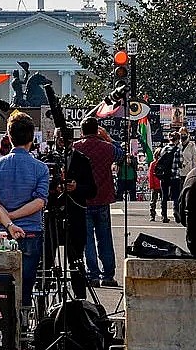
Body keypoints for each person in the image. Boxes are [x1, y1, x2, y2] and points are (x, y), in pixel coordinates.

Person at [0, 111, 50, 306]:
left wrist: (8, 221)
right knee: (26, 288)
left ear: (9, 136)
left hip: (3, 233)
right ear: (32, 138)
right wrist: (14, 217)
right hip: (30, 231)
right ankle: (23, 326)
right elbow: (40, 202)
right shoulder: (40, 168)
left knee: (2, 289)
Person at [38, 126, 96, 299]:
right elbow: (37, 189)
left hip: (75, 215)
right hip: (51, 215)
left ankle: (80, 301)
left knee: (76, 261)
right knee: (46, 260)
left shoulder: (82, 160)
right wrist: (52, 188)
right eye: (60, 139)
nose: (63, 143)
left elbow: (92, 190)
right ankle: (42, 299)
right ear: (54, 139)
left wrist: (76, 187)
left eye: (67, 140)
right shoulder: (45, 159)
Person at [73, 118, 122, 287]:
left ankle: (92, 274)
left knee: (87, 240)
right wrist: (108, 137)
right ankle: (108, 275)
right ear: (97, 131)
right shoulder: (108, 148)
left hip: (83, 199)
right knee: (105, 238)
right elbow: (121, 153)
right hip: (103, 197)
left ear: (82, 131)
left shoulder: (76, 147)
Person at [154, 132, 184, 223]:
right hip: (175, 176)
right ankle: (176, 211)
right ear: (177, 140)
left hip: (164, 176)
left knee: (164, 196)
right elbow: (180, 163)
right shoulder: (178, 150)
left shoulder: (164, 149)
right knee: (175, 196)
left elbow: (160, 162)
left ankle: (164, 215)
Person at [148, 149, 163, 221]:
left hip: (162, 184)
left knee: (163, 201)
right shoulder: (153, 164)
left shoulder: (163, 163)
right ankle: (152, 215)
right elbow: (150, 175)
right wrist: (151, 186)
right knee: (153, 202)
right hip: (155, 185)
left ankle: (164, 215)